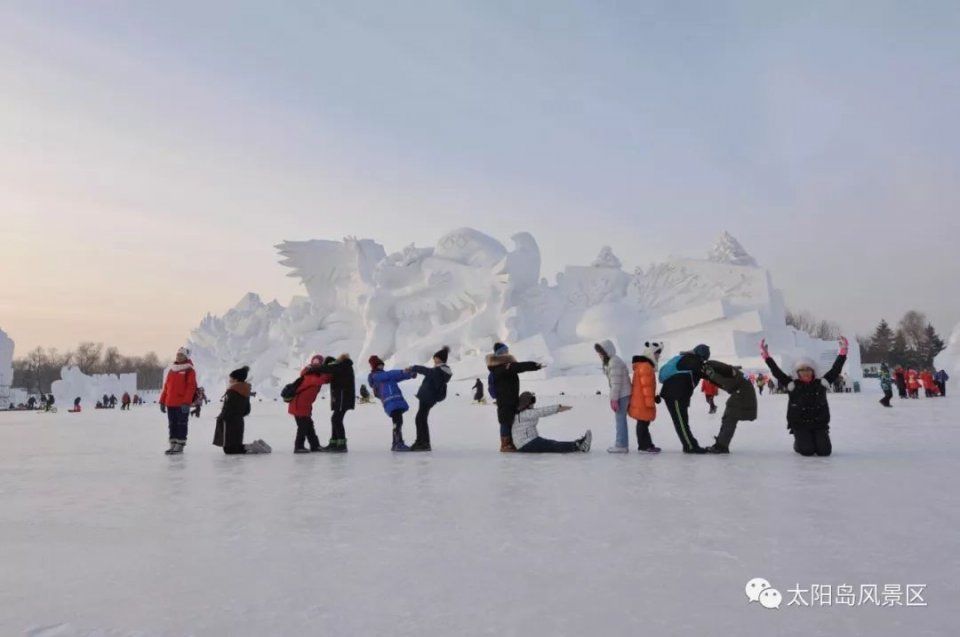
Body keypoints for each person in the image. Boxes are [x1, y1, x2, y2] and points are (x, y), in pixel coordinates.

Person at [761, 336, 848, 457]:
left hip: (819, 423)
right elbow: (777, 372)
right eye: (802, 372)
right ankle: (798, 443)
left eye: (808, 371)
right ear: (798, 374)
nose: (806, 374)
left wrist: (843, 352)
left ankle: (816, 439)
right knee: (807, 451)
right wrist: (767, 357)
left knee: (825, 452)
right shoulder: (793, 385)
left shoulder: (821, 383)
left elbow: (835, 370)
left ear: (813, 372)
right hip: (800, 424)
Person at [486, 342, 544, 452]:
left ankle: (511, 442)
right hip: (505, 399)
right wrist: (535, 365)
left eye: (507, 350)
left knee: (510, 420)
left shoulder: (501, 366)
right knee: (505, 420)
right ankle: (505, 445)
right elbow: (519, 366)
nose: (506, 353)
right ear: (499, 354)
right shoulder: (502, 366)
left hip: (509, 398)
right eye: (503, 351)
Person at [658, 344, 711, 454]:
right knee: (681, 422)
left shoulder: (691, 360)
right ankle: (690, 446)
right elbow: (708, 374)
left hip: (679, 395)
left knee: (682, 421)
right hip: (675, 395)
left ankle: (689, 445)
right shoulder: (692, 361)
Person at [212, 366, 271, 455]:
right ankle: (256, 445)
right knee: (234, 446)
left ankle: (254, 446)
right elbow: (247, 410)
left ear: (236, 379)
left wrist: (221, 417)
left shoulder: (232, 391)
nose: (229, 380)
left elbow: (228, 408)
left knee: (229, 450)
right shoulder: (245, 390)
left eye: (231, 378)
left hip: (229, 421)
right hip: (238, 420)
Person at [702, 361, 757, 453]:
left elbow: (727, 383)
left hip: (742, 396)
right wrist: (710, 376)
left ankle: (722, 446)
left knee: (730, 419)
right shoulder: (734, 372)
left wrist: (711, 375)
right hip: (741, 395)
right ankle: (721, 443)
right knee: (728, 418)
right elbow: (726, 385)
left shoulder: (732, 372)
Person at [306, 353, 356, 452]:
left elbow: (328, 369)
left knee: (336, 419)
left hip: (343, 398)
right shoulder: (341, 366)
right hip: (341, 398)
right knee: (335, 419)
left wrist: (313, 368)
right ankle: (334, 443)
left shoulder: (342, 365)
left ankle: (342, 445)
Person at [512, 392, 591, 453]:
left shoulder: (521, 413)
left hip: (527, 442)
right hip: (526, 443)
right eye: (532, 400)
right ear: (526, 402)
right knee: (553, 445)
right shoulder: (524, 413)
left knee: (552, 444)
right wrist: (558, 408)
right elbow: (541, 411)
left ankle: (578, 444)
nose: (533, 403)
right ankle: (579, 446)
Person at [368, 356, 417, 451]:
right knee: (397, 422)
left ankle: (396, 443)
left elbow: (398, 376)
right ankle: (398, 443)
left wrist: (410, 374)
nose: (381, 367)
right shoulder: (375, 376)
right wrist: (402, 371)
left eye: (382, 365)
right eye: (379, 365)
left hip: (396, 400)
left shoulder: (386, 375)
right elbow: (391, 374)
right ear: (374, 367)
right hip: (390, 401)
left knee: (398, 421)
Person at [409, 347, 453, 451]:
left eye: (435, 358)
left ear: (440, 359)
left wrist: (413, 367)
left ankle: (423, 443)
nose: (434, 360)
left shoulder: (440, 370)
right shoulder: (439, 370)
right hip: (427, 397)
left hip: (428, 398)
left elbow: (426, 371)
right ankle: (422, 442)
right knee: (421, 419)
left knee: (420, 419)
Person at [287, 354, 332, 453]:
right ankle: (298, 447)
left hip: (303, 405)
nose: (316, 364)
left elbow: (326, 379)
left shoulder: (314, 373)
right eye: (315, 362)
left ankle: (315, 445)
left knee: (308, 425)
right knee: (303, 427)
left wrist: (330, 369)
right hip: (298, 404)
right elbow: (321, 380)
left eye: (318, 362)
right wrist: (327, 370)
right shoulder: (310, 374)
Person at [594, 339, 632, 453]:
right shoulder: (612, 361)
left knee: (620, 420)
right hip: (623, 393)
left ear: (607, 351)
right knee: (620, 419)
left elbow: (616, 383)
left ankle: (621, 445)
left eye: (601, 352)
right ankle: (622, 444)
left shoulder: (614, 362)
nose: (599, 355)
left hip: (622, 394)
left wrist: (614, 399)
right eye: (599, 353)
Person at [159, 347, 198, 454]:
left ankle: (180, 444)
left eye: (181, 355)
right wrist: (162, 401)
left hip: (182, 404)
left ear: (186, 357)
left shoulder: (189, 370)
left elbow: (191, 387)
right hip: (170, 403)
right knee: (172, 424)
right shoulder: (172, 370)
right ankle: (173, 443)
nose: (178, 357)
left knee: (181, 424)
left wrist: (186, 402)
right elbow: (166, 387)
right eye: (177, 355)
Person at [628, 341, 663, 453]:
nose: (658, 356)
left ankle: (646, 444)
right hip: (642, 401)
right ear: (651, 353)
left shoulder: (644, 366)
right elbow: (646, 387)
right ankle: (644, 446)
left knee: (643, 423)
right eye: (657, 353)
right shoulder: (646, 367)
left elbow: (647, 387)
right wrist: (650, 402)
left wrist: (654, 397)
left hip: (640, 400)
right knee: (643, 423)